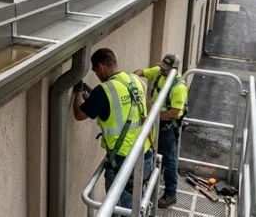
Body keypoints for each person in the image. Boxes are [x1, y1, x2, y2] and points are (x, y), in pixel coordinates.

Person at [73, 48, 153, 211]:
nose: (97, 75)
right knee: (137, 204)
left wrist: (78, 93)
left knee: (120, 208)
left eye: (95, 71)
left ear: (101, 67)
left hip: (123, 162)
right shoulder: (136, 80)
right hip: (144, 154)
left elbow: (79, 114)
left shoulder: (103, 91)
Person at [134, 53, 188, 209]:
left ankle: (171, 194)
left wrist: (152, 116)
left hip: (167, 127)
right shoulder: (159, 72)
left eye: (166, 69)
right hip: (156, 124)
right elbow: (141, 72)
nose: (162, 70)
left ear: (174, 69)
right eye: (162, 67)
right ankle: (154, 183)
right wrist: (134, 80)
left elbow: (175, 112)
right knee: (157, 154)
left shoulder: (179, 87)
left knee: (169, 159)